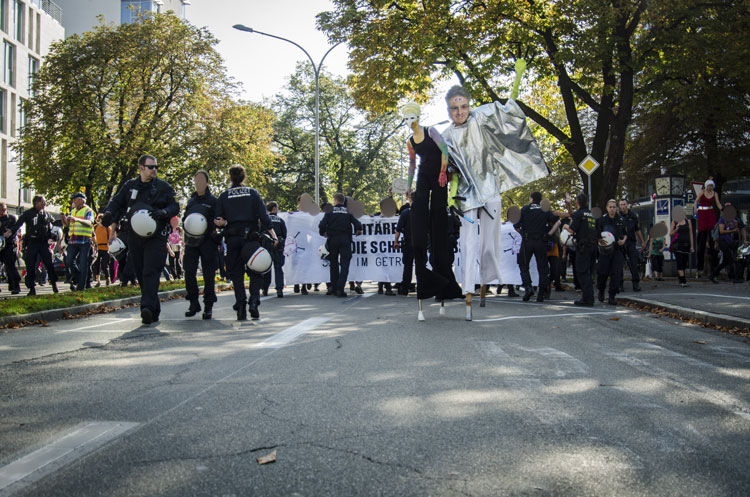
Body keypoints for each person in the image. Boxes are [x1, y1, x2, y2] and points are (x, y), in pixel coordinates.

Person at [442, 73, 548, 319]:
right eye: (454, 108)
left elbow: (507, 113)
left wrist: (518, 79)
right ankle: (467, 287)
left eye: (463, 106)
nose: (460, 112)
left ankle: (486, 279)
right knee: (468, 242)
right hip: (467, 196)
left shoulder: (481, 117)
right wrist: (451, 195)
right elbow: (451, 171)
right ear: (448, 110)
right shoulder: (446, 137)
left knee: (490, 243)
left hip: (489, 190)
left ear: (469, 104)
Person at [101, 154, 179, 325]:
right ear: (141, 168)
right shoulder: (130, 186)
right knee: (140, 270)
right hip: (134, 237)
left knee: (151, 271)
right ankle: (154, 308)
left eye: (156, 167)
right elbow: (117, 203)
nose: (154, 170)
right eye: (151, 167)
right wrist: (108, 213)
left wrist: (164, 212)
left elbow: (175, 205)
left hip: (156, 237)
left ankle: (147, 308)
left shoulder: (162, 187)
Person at [401, 103, 462, 318]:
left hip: (439, 173)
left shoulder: (430, 131)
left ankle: (443, 273)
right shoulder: (410, 142)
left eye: (411, 118)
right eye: (406, 119)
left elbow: (444, 149)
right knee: (419, 205)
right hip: (424, 176)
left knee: (437, 212)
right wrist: (409, 186)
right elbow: (411, 165)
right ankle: (420, 239)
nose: (409, 123)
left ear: (417, 117)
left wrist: (444, 172)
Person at [215, 165, 277, 320]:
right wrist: (274, 236)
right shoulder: (252, 193)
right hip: (251, 239)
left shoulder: (224, 196)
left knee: (237, 276)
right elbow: (265, 217)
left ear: (230, 177)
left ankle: (241, 307)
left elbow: (218, 220)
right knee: (256, 270)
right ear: (244, 177)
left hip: (233, 239)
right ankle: (254, 301)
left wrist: (224, 223)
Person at [182, 169, 219, 319]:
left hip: (208, 241)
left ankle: (208, 305)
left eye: (201, 180)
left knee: (209, 274)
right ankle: (193, 302)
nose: (198, 183)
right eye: (196, 180)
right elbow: (186, 218)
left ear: (207, 182)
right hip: (191, 241)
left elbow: (219, 219)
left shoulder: (214, 201)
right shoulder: (191, 201)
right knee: (189, 271)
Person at [8, 195, 59, 296]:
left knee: (49, 264)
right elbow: (18, 224)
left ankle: (54, 284)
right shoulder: (28, 213)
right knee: (30, 266)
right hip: (32, 242)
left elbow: (54, 225)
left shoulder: (47, 214)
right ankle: (31, 288)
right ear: (36, 203)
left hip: (44, 243)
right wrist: (11, 231)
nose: (44, 204)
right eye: (42, 202)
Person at [515, 192, 560, 302]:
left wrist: (522, 233)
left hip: (527, 241)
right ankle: (541, 294)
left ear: (531, 199)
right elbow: (557, 222)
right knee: (543, 269)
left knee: (523, 265)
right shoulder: (544, 210)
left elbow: (516, 225)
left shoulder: (525, 209)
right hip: (541, 241)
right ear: (540, 200)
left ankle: (528, 287)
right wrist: (549, 234)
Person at [319, 193, 362, 297]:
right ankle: (340, 289)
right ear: (343, 201)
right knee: (345, 265)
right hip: (345, 240)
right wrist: (358, 231)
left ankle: (334, 288)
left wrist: (323, 233)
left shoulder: (330, 211)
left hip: (333, 240)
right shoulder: (348, 211)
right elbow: (358, 224)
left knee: (333, 264)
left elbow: (321, 225)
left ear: (335, 200)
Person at [565, 193, 598, 306]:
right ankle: (590, 296)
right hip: (593, 247)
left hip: (583, 247)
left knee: (582, 272)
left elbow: (572, 230)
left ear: (577, 203)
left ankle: (587, 298)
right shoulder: (592, 215)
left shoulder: (579, 214)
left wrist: (565, 227)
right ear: (587, 203)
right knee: (589, 272)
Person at [61, 193, 95, 291]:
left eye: (74, 199)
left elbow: (89, 222)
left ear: (81, 200)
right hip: (73, 240)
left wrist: (76, 219)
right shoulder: (73, 211)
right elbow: (67, 225)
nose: (73, 202)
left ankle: (81, 287)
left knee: (83, 264)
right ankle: (77, 276)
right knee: (69, 260)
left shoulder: (88, 210)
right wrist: (64, 219)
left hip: (84, 240)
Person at [596, 199, 627, 305]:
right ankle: (601, 290)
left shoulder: (621, 220)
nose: (612, 209)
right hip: (605, 251)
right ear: (607, 208)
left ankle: (612, 296)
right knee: (602, 273)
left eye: (614, 207)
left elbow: (625, 233)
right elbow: (597, 234)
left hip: (617, 250)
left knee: (616, 273)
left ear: (616, 208)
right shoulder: (602, 220)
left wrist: (623, 240)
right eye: (610, 207)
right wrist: (601, 241)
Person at [710, 204, 745, 283]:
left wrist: (735, 228)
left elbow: (736, 229)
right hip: (723, 241)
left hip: (729, 241)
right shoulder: (722, 220)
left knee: (725, 261)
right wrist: (732, 231)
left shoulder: (732, 220)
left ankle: (713, 275)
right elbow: (722, 231)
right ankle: (733, 277)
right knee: (730, 259)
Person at [695, 179, 721, 276]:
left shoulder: (715, 194)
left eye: (711, 186)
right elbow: (696, 201)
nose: (710, 187)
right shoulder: (702, 192)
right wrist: (695, 209)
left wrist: (722, 209)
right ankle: (699, 267)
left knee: (712, 240)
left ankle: (714, 267)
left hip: (710, 214)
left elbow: (718, 204)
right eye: (709, 186)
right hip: (702, 214)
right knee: (701, 242)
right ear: (706, 186)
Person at [619, 199, 645, 291]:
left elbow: (637, 229)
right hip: (621, 242)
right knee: (619, 263)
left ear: (627, 205)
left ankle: (636, 283)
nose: (622, 206)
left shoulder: (633, 216)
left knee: (634, 262)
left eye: (624, 204)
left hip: (631, 241)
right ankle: (620, 284)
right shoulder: (618, 216)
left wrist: (642, 241)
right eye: (621, 205)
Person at [263, 201, 287, 298]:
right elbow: (284, 234)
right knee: (278, 268)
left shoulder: (264, 220)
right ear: (274, 208)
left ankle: (265, 289)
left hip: (266, 245)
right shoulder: (280, 220)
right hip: (278, 246)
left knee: (266, 268)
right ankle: (279, 289)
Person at [393, 196, 414, 296]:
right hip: (421, 243)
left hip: (408, 243)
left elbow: (398, 229)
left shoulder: (405, 213)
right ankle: (423, 288)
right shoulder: (424, 211)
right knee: (421, 266)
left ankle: (404, 289)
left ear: (410, 200)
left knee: (408, 267)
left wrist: (396, 241)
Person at [669, 209, 694, 287]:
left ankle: (680, 277)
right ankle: (683, 280)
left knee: (684, 263)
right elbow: (670, 234)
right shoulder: (674, 222)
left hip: (686, 245)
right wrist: (676, 229)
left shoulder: (688, 221)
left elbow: (691, 234)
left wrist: (692, 246)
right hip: (678, 245)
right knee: (679, 261)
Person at [0, 202, 21, 294]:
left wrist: (9, 234)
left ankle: (16, 286)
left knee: (10, 266)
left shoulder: (12, 219)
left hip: (9, 245)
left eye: (3, 210)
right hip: (0, 245)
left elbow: (15, 231)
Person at [92, 215, 113, 286]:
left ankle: (107, 278)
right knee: (96, 265)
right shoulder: (95, 227)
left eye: (101, 219)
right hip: (97, 248)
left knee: (104, 264)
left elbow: (111, 239)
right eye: (99, 219)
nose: (100, 220)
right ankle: (98, 281)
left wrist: (111, 250)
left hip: (106, 248)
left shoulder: (107, 228)